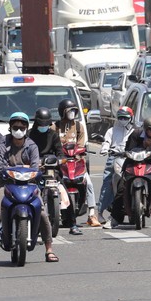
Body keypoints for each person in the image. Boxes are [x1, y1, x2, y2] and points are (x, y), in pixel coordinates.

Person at [0, 112, 59, 266]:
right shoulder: (3, 145)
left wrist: (17, 169)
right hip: (7, 186)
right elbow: (0, 165)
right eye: (15, 127)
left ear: (27, 128)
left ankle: (49, 250)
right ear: (10, 128)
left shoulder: (32, 146)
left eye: (22, 127)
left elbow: (35, 167)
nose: (18, 129)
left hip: (30, 186)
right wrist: (21, 168)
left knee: (42, 214)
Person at [54, 99, 101, 233]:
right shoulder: (55, 127)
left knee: (89, 183)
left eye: (74, 111)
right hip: (61, 163)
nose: (72, 113)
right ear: (62, 112)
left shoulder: (79, 126)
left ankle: (91, 214)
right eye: (70, 111)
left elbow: (81, 145)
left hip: (76, 161)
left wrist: (79, 153)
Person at [99, 106, 134, 228]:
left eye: (125, 117)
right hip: (114, 157)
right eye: (121, 117)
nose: (123, 120)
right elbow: (106, 141)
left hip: (130, 158)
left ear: (131, 118)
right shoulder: (112, 130)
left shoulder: (135, 130)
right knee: (107, 181)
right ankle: (100, 212)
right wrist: (105, 148)